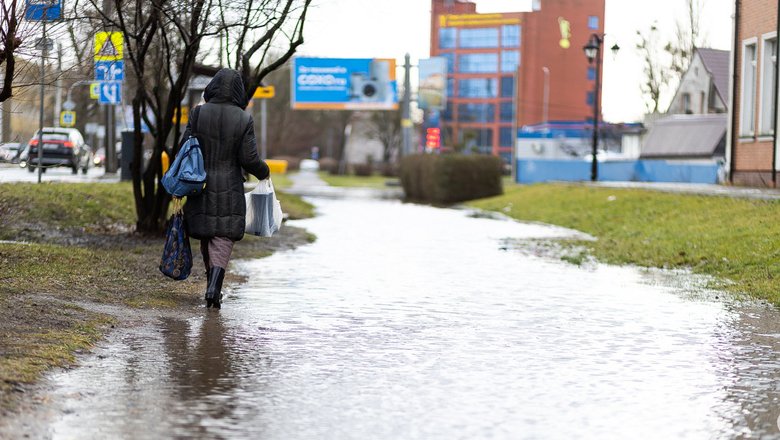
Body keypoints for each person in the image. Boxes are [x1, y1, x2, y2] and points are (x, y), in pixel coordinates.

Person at [180, 68, 269, 309]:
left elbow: (185, 146)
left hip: (200, 184)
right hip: (229, 185)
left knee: (208, 232)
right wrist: (264, 171)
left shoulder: (198, 114)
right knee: (223, 237)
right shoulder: (243, 118)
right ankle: (214, 288)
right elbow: (249, 158)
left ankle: (211, 286)